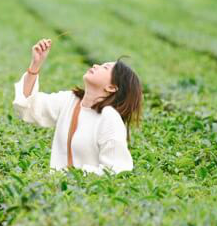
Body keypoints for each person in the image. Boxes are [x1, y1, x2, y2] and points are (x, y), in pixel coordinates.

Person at [13, 38, 143, 175]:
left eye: (105, 68)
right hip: (57, 191)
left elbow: (116, 171)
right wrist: (35, 65)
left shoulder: (109, 118)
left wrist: (75, 175)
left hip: (85, 194)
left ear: (112, 87)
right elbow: (28, 106)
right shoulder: (70, 100)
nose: (95, 65)